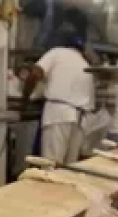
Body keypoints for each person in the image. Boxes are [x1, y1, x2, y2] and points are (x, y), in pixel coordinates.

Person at [23, 29, 96, 164]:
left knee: (50, 165)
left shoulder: (57, 52)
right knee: (69, 167)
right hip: (80, 120)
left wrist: (25, 97)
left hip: (58, 115)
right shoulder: (86, 64)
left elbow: (35, 74)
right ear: (82, 50)